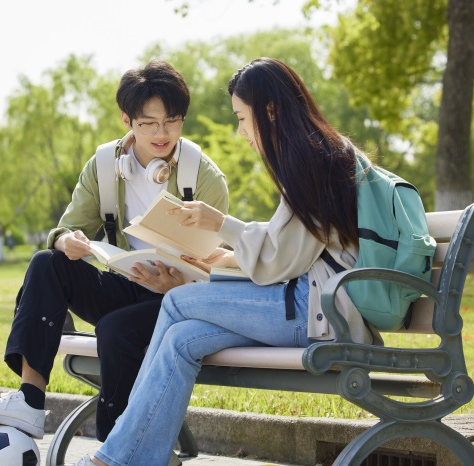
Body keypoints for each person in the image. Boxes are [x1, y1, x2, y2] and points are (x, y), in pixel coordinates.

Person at [72, 57, 383, 466]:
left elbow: (280, 261)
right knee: (182, 339)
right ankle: (141, 454)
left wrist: (223, 224)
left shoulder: (311, 159)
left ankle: (117, 457)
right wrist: (228, 257)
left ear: (269, 111)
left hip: (321, 313)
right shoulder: (314, 152)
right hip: (307, 303)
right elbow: (290, 248)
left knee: (178, 302)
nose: (240, 130)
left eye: (241, 117)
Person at [0, 59, 229, 443]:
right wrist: (66, 240)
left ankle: (117, 445)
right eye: (148, 122)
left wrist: (177, 283)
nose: (162, 132)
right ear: (126, 119)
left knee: (116, 330)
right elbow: (68, 227)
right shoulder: (103, 164)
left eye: (172, 120)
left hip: (176, 301)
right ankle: (29, 402)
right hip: (125, 284)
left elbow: (218, 266)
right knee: (47, 262)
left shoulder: (204, 176)